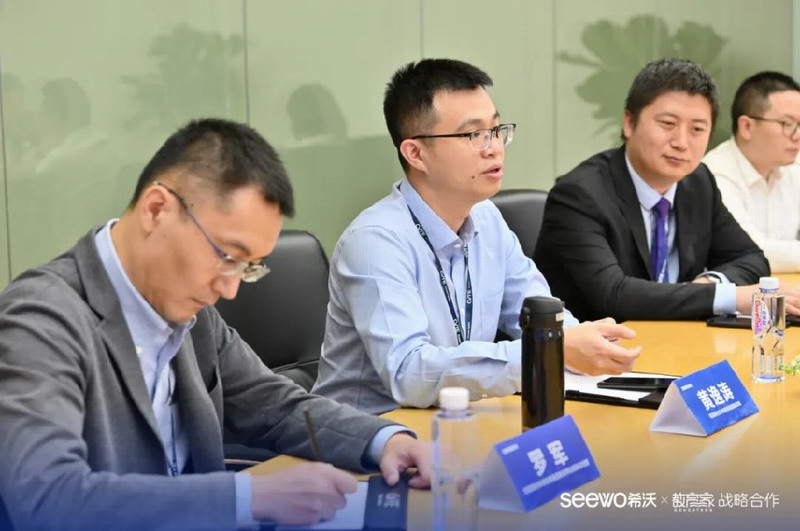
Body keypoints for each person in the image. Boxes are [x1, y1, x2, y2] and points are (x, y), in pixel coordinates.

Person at [0, 119, 430, 531]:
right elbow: (48, 497)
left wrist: (385, 441)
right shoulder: (42, 319)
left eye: (247, 267)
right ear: (156, 210)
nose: (229, 288)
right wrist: (246, 498)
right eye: (227, 257)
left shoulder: (190, 311)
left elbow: (275, 407)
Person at [312, 59, 641, 415]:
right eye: (473, 135)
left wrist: (585, 345)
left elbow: (540, 313)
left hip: (456, 418)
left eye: (496, 130)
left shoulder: (486, 217)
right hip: (367, 432)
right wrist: (547, 350)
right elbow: (408, 373)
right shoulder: (375, 242)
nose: (494, 147)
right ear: (416, 153)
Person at [533, 58, 800, 323]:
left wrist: (709, 284)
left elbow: (750, 258)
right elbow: (614, 295)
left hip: (670, 336)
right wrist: (729, 296)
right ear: (629, 122)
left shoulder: (697, 182)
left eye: (697, 129)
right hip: (597, 344)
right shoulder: (580, 195)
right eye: (668, 124)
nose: (681, 142)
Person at [703, 71, 800, 272]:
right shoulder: (714, 175)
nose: (797, 135)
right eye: (787, 124)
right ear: (747, 127)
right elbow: (750, 250)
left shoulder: (792, 169)